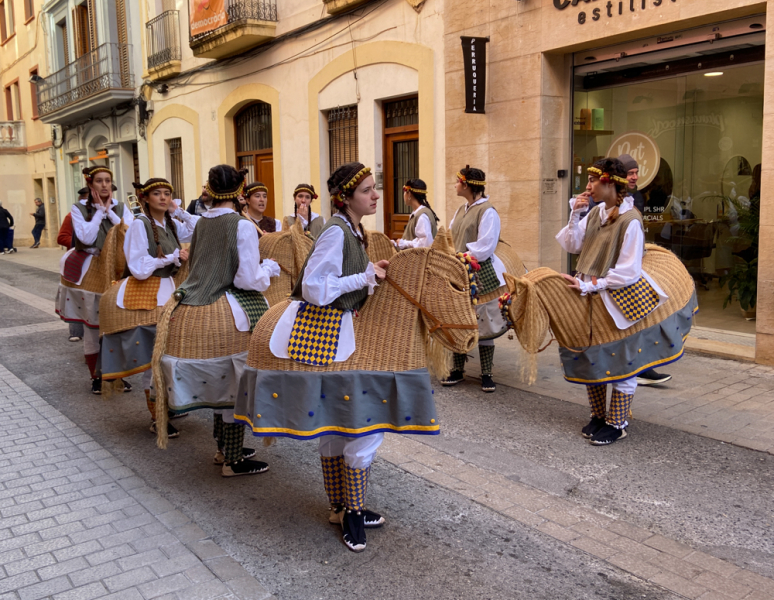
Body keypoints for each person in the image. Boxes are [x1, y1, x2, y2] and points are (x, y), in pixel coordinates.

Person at [263, 161, 389, 552]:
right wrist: (365, 278)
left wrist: (369, 271)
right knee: (362, 423)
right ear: (346, 197)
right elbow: (315, 287)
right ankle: (351, 511)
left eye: (374, 188)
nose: (375, 195)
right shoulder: (336, 232)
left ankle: (343, 506)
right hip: (328, 334)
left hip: (343, 331)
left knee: (342, 423)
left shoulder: (351, 229)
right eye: (367, 190)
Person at [155, 165, 280, 475]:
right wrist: (270, 270)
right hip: (227, 309)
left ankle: (223, 448)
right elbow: (248, 278)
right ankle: (233, 459)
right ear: (240, 193)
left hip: (190, 304)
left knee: (219, 384)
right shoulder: (241, 225)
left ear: (209, 191)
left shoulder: (201, 225)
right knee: (234, 385)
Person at [556, 157, 669, 445]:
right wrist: (575, 215)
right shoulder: (595, 213)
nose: (588, 186)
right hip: (590, 293)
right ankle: (598, 415)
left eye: (593, 181)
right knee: (592, 354)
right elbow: (572, 245)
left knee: (621, 358)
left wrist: (593, 284)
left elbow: (629, 272)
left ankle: (617, 422)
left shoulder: (631, 220)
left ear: (609, 183)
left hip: (617, 297)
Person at [100, 178, 198, 437]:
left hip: (171, 289)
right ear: (145, 198)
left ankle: (168, 405)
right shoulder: (139, 225)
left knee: (170, 356)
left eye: (168, 193)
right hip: (150, 294)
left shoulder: (171, 223)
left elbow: (200, 228)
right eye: (158, 194)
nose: (164, 198)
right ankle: (158, 417)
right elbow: (138, 267)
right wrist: (171, 257)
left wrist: (179, 211)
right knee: (154, 358)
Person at [55, 166, 135, 394]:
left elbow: (129, 233)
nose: (104, 185)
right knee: (92, 328)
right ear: (91, 185)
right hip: (91, 268)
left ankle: (116, 375)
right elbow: (85, 237)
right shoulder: (79, 208)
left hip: (118, 268)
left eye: (107, 180)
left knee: (118, 325)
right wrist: (99, 212)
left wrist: (109, 212)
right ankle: (96, 377)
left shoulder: (121, 207)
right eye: (99, 181)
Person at [442, 166, 508, 393]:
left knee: (484, 322)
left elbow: (486, 245)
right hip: (459, 269)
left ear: (467, 185)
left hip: (479, 271)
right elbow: (451, 236)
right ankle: (457, 370)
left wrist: (462, 256)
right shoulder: (461, 210)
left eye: (457, 181)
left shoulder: (488, 211)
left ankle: (487, 373)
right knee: (458, 317)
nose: (455, 185)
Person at [618, 154, 672, 386]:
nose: (635, 177)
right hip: (615, 274)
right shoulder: (601, 202)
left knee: (643, 318)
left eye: (636, 172)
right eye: (630, 173)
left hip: (632, 269)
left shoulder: (637, 196)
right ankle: (632, 369)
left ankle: (641, 367)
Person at [56, 188, 89, 342]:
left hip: (98, 262)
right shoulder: (72, 216)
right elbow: (61, 237)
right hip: (78, 260)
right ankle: (75, 331)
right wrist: (80, 244)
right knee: (76, 295)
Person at [394, 179, 438, 249]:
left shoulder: (422, 216)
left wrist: (404, 243)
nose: (404, 195)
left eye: (405, 192)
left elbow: (425, 243)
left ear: (409, 194)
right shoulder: (418, 213)